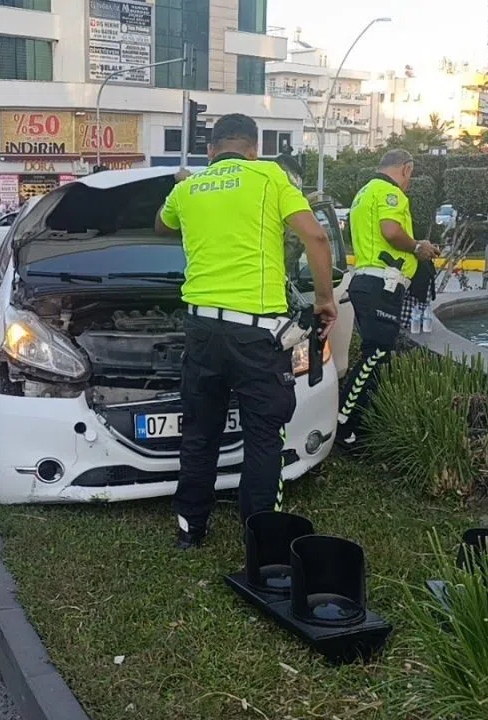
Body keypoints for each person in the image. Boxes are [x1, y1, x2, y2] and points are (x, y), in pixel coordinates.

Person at [155, 113, 338, 550]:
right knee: (262, 436)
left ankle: (190, 531)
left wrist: (183, 183)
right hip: (255, 337)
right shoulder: (269, 176)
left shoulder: (187, 188)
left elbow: (162, 226)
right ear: (253, 148)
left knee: (200, 434)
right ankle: (260, 540)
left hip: (201, 330)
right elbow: (316, 238)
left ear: (210, 151)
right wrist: (324, 300)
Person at [335, 149, 440, 452]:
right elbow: (391, 231)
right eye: (411, 175)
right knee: (376, 355)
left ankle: (348, 419)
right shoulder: (389, 193)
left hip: (370, 282)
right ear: (406, 169)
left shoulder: (365, 191)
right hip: (382, 283)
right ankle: (344, 424)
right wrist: (418, 246)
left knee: (374, 354)